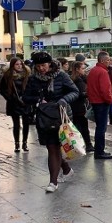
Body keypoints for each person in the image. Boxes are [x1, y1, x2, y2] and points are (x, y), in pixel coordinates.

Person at [22, 51, 79, 193]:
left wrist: (63, 100)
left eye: (44, 65)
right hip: (44, 117)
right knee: (52, 147)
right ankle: (66, 169)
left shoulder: (61, 75)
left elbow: (75, 91)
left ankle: (53, 182)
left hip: (61, 115)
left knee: (54, 147)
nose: (41, 68)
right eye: (38, 66)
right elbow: (26, 97)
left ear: (50, 63)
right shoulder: (33, 79)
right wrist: (37, 99)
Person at [0, 57, 33, 153]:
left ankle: (25, 143)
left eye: (20, 64)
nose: (19, 66)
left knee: (26, 123)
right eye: (17, 64)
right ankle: (17, 144)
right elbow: (2, 90)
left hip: (25, 102)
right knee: (16, 124)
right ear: (12, 66)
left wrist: (28, 98)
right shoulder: (8, 76)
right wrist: (10, 98)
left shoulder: (27, 75)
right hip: (14, 103)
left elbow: (31, 88)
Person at [87, 51, 112, 159]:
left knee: (100, 127)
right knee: (101, 128)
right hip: (102, 102)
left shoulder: (93, 70)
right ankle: (99, 151)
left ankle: (99, 150)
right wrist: (110, 100)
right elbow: (105, 90)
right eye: (108, 60)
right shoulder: (102, 72)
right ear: (102, 60)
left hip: (95, 101)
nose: (109, 62)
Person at [69, 60, 94, 154]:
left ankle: (84, 145)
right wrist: (87, 94)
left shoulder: (75, 78)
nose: (84, 70)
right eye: (82, 68)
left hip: (75, 107)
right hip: (79, 107)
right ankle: (86, 145)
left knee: (79, 126)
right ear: (77, 69)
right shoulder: (78, 80)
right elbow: (80, 94)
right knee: (82, 127)